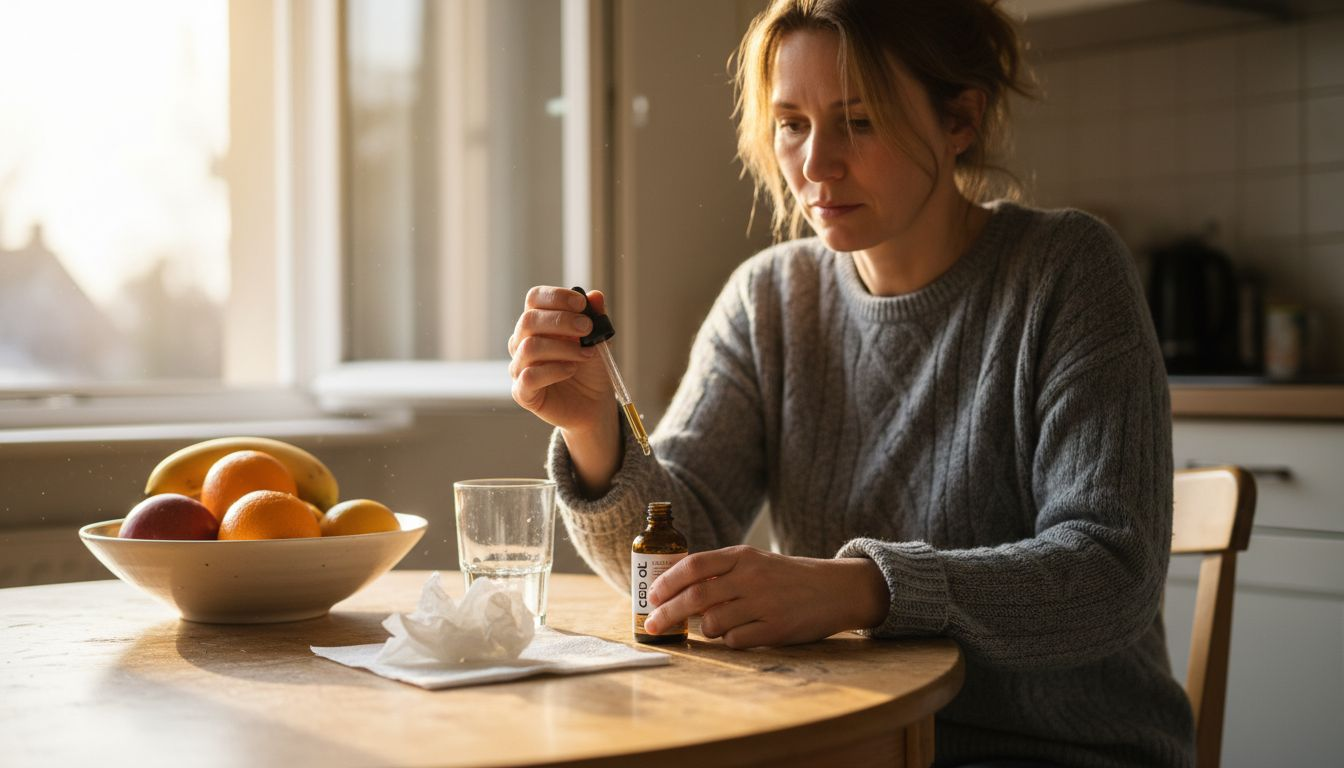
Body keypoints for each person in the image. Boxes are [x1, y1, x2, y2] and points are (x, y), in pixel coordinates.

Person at [506, 1, 1194, 765]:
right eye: (792, 123)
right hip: (849, 735)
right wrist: (593, 430)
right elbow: (679, 561)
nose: (816, 165)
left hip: (1055, 748)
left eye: (858, 122)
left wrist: (857, 588)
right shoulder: (767, 298)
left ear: (960, 118)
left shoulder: (1066, 271)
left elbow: (1110, 572)